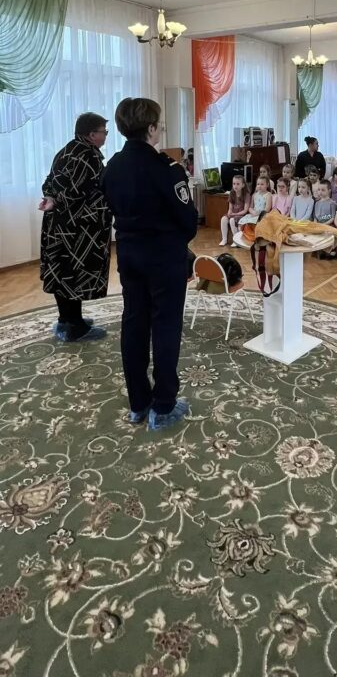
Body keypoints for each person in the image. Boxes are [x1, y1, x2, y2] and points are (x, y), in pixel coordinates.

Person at [101, 98, 198, 431]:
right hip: (164, 258)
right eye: (159, 124)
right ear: (152, 128)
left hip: (129, 255)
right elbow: (188, 221)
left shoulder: (112, 166)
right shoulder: (167, 168)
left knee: (134, 322)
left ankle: (138, 403)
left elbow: (110, 206)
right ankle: (164, 405)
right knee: (166, 326)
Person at [39, 112, 111, 343]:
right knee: (74, 274)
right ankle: (75, 326)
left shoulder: (66, 150)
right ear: (91, 134)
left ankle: (67, 319)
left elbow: (50, 184)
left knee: (63, 273)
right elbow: (79, 194)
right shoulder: (87, 156)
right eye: (103, 132)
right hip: (77, 229)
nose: (105, 136)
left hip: (58, 225)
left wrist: (52, 199)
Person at [220, 175, 250, 245]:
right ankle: (224, 239)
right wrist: (229, 212)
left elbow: (245, 210)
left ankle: (236, 241)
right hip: (233, 213)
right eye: (234, 184)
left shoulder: (246, 194)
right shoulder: (232, 193)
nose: (235, 186)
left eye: (238, 184)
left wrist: (235, 214)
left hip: (242, 215)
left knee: (232, 220)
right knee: (223, 219)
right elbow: (230, 208)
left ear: (243, 185)